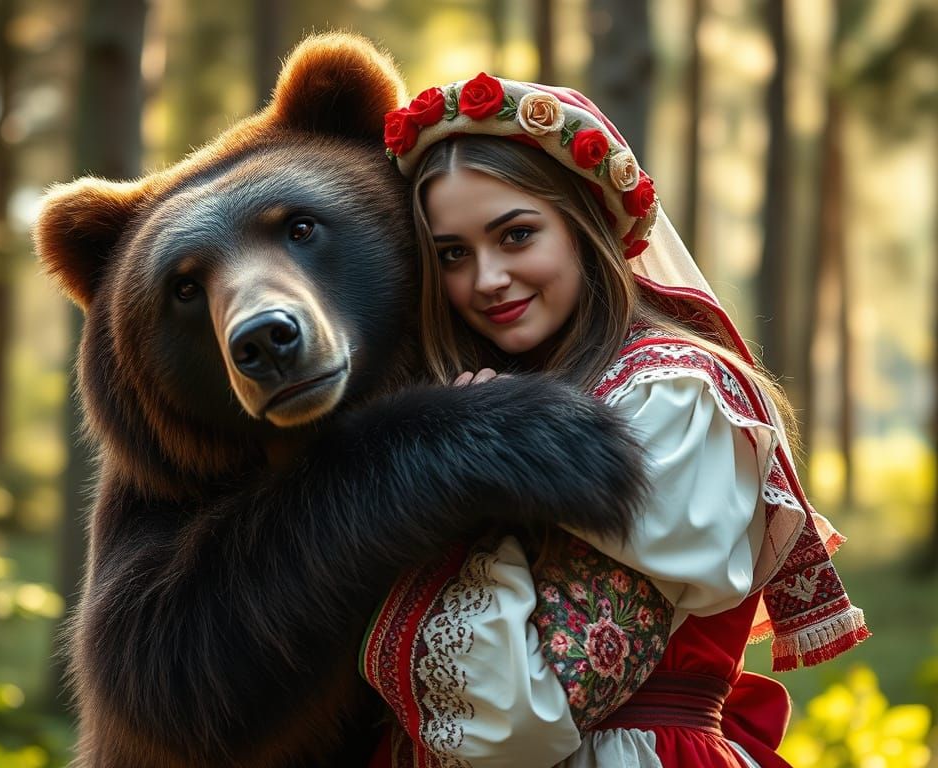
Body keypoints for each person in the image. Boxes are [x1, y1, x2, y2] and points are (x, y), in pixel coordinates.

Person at [359, 72, 869, 768]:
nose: (485, 279)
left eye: (515, 235)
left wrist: (471, 483)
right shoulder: (482, 388)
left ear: (584, 223)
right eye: (453, 253)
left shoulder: (671, 398)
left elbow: (513, 722)